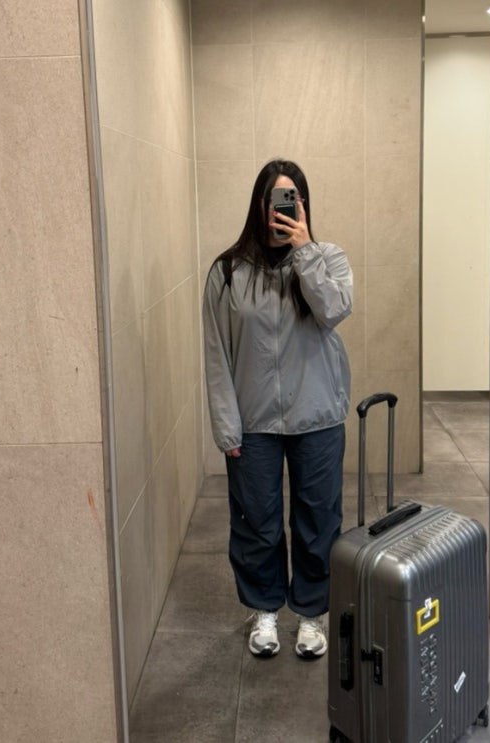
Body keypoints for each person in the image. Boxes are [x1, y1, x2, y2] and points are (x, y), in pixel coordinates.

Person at [202, 159, 353, 658]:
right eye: (274, 198)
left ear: (304, 205)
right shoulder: (227, 272)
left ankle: (311, 613)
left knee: (317, 521)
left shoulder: (327, 258)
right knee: (257, 523)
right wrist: (226, 425)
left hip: (318, 416)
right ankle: (264, 608)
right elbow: (217, 353)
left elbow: (333, 311)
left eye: (293, 198)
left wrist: (304, 250)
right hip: (254, 421)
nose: (281, 208)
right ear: (259, 203)